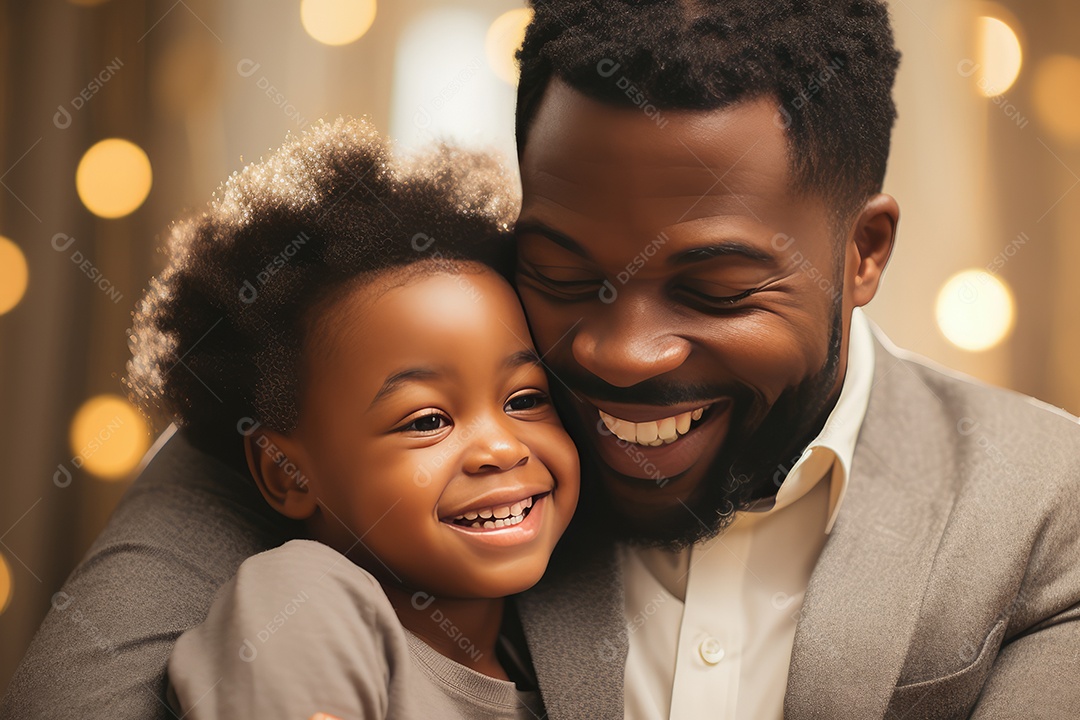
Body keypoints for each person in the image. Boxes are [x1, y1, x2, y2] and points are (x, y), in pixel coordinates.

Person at [4, 1, 1079, 718]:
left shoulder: (1046, 510)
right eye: (565, 271)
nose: (620, 350)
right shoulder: (330, 403)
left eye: (713, 288)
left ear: (864, 252)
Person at [126, 117, 578, 719]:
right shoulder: (308, 600)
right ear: (287, 473)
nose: (500, 447)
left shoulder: (543, 666)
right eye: (425, 421)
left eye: (524, 399)